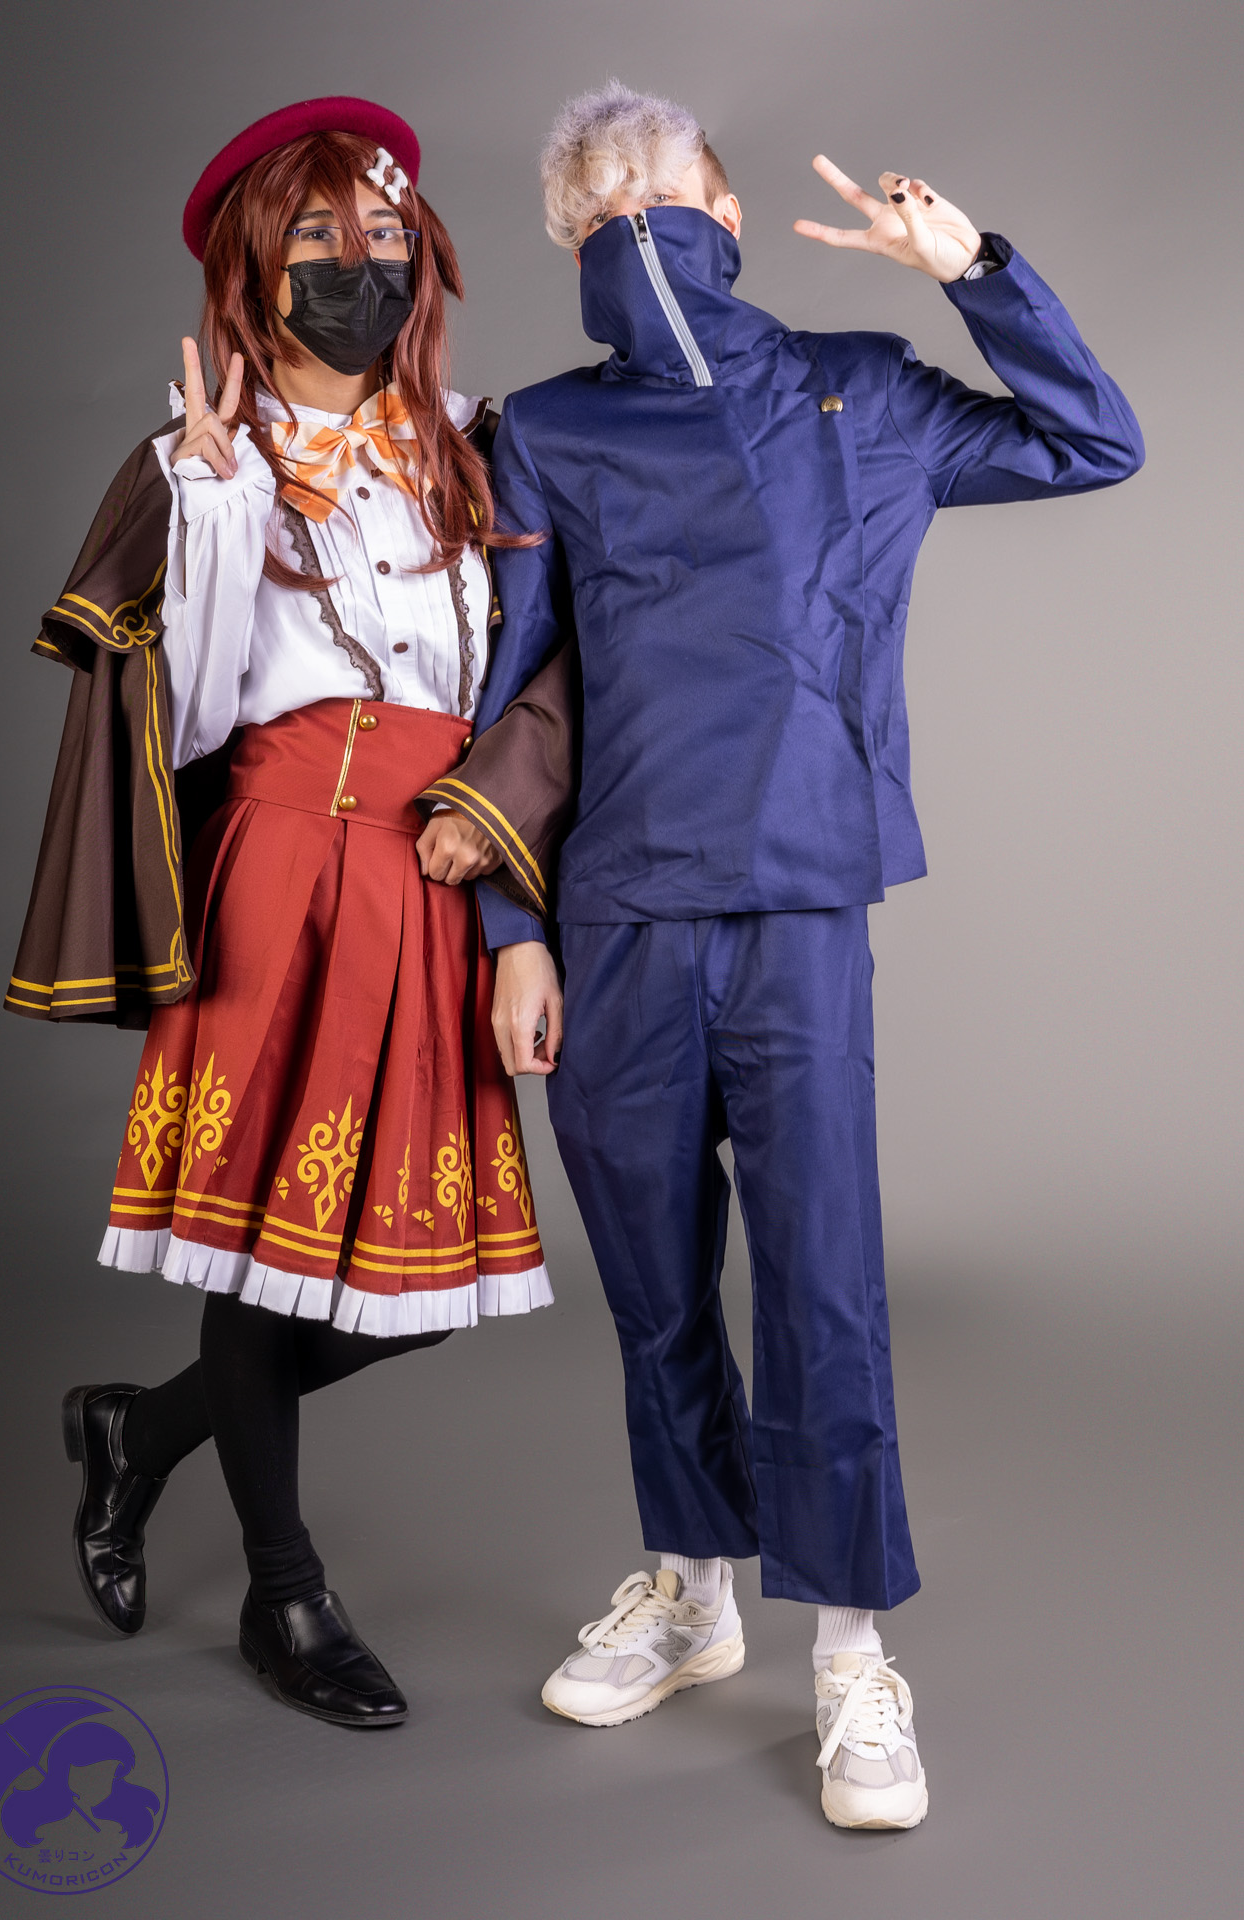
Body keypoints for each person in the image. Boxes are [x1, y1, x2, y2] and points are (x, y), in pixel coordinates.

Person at [453, 80, 1143, 1828]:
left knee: (821, 1277)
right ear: (566, 240)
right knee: (651, 1276)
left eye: (662, 196)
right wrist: (512, 929)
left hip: (797, 898)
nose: (637, 229)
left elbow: (1091, 442)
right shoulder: (544, 431)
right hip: (615, 908)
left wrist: (971, 270)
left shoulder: (867, 392)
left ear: (730, 211)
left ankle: (846, 1652)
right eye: (599, 213)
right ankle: (691, 1588)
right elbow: (512, 698)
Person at [7, 96, 549, 1728]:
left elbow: (534, 674)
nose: (356, 266)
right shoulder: (205, 463)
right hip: (279, 871)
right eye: (316, 239)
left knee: (406, 1285)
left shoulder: (474, 445)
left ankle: (141, 1431)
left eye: (383, 237)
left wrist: (497, 849)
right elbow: (185, 720)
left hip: (433, 876)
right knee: (258, 1260)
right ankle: (284, 1590)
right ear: (254, 266)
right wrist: (216, 496)